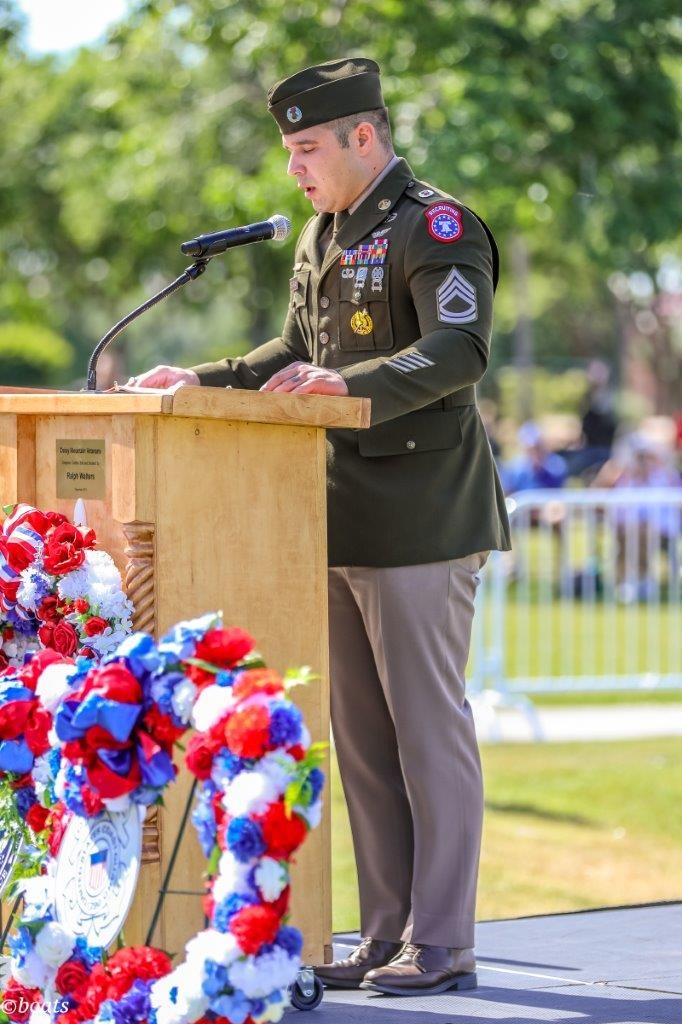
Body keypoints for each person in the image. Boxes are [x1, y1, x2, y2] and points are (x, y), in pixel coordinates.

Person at [132, 57, 510, 997]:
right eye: (290, 151)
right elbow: (298, 353)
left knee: (429, 734)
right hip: (332, 518)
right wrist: (205, 379)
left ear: (364, 137)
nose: (295, 168)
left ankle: (445, 943)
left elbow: (459, 349)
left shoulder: (436, 225)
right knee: (366, 746)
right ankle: (383, 933)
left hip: (421, 516)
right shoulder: (323, 234)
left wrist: (354, 386)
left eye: (308, 149)